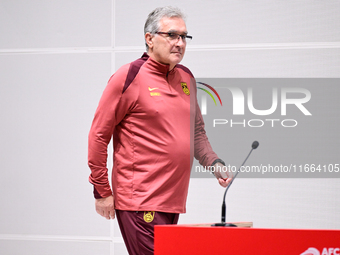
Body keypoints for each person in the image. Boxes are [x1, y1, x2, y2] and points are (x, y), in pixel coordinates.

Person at [88, 6, 231, 255]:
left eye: (184, 37)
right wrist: (102, 191)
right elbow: (99, 135)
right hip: (139, 199)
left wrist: (214, 162)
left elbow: (196, 132)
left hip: (173, 200)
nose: (180, 43)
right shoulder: (129, 77)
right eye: (172, 35)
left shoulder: (186, 78)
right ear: (149, 39)